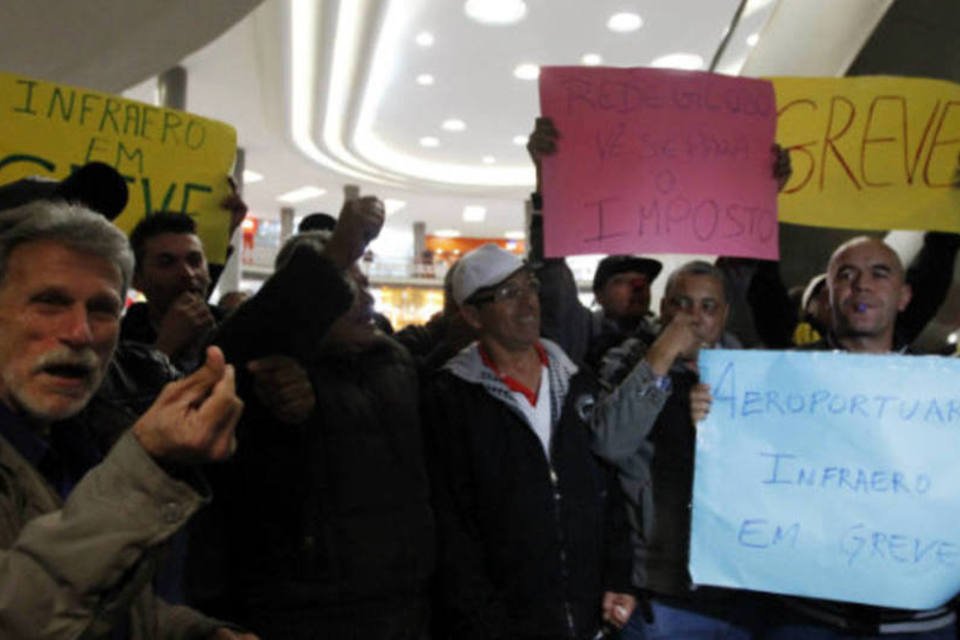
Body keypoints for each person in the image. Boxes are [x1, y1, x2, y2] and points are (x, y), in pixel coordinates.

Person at [0, 199, 253, 639]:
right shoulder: (123, 457)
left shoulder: (83, 443)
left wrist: (195, 633)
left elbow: (104, 603)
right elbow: (18, 615)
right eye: (49, 302)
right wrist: (149, 466)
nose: (80, 333)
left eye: (101, 309)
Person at [189, 195, 435, 639]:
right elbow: (242, 339)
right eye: (345, 285)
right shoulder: (261, 375)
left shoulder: (396, 361)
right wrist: (339, 249)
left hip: (405, 602)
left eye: (364, 282)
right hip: (304, 611)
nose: (366, 298)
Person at [691, 237, 955, 638]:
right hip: (808, 619)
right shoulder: (771, 384)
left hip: (920, 624)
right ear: (828, 297)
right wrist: (708, 420)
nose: (861, 285)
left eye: (879, 274)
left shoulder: (944, 392)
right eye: (846, 276)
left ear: (904, 297)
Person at [424, 243, 635, 640]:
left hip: (590, 618)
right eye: (507, 294)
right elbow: (452, 532)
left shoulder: (577, 381)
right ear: (472, 314)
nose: (528, 303)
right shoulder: (450, 399)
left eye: (529, 286)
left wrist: (618, 575)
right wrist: (485, 623)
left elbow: (607, 487)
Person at [591, 260, 760, 639]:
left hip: (737, 581)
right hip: (660, 584)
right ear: (664, 307)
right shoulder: (626, 362)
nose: (695, 318)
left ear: (725, 315)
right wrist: (661, 358)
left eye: (708, 306)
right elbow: (610, 443)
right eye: (683, 305)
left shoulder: (752, 372)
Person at [123, 212, 223, 372]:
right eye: (167, 263)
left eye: (195, 261)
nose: (188, 273)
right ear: (137, 279)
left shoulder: (237, 331)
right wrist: (165, 348)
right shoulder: (117, 341)